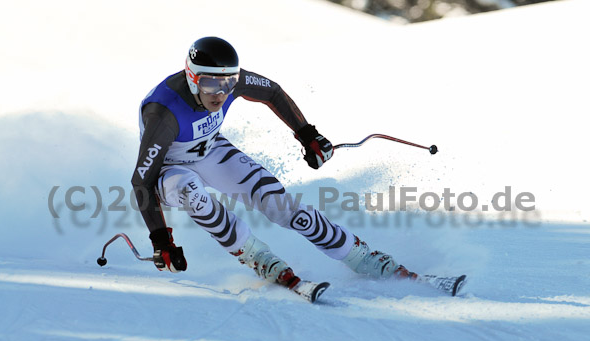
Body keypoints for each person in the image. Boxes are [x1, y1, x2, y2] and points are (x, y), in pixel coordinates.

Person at [131, 37, 418, 290]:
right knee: (191, 192)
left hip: (209, 150)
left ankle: (360, 256)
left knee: (281, 205)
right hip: (170, 170)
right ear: (193, 78)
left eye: (229, 84)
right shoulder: (164, 114)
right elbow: (141, 180)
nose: (220, 93)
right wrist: (161, 240)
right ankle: (257, 256)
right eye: (210, 84)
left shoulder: (228, 81)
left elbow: (273, 91)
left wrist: (308, 135)